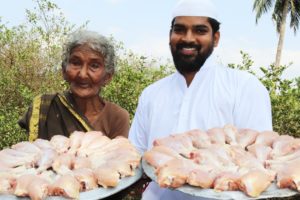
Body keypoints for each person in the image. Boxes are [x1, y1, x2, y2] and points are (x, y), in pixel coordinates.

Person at [129, 0, 272, 199]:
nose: (188, 38)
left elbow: (260, 161)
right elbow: (136, 156)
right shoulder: (152, 93)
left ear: (216, 38)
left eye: (200, 31)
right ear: (170, 36)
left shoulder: (243, 86)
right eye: (179, 30)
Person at [19, 30, 130, 141]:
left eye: (94, 65)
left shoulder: (116, 117)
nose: (82, 74)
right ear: (64, 70)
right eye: (76, 63)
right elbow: (33, 153)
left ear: (107, 77)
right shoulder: (46, 106)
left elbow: (118, 156)